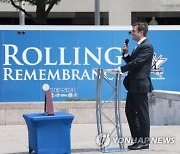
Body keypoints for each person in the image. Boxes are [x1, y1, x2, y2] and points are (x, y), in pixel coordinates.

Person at [120, 22, 154, 150]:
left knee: (142, 114)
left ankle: (144, 141)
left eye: (133, 31)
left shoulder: (147, 46)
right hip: (133, 85)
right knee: (130, 111)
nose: (131, 33)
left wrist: (120, 69)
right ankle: (137, 140)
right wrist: (126, 55)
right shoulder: (138, 46)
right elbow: (133, 62)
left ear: (141, 32)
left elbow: (137, 63)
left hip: (140, 85)